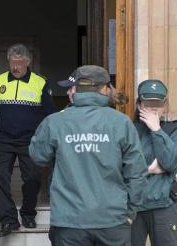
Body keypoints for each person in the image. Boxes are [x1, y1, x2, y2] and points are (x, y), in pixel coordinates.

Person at [29, 65, 148, 246]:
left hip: (70, 221)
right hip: (113, 220)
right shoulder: (121, 122)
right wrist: (130, 212)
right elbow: (137, 172)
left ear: (75, 89)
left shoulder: (56, 122)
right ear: (104, 89)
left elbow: (38, 156)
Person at [0, 43, 55, 237]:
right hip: (3, 140)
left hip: (30, 141)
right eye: (12, 63)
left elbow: (50, 115)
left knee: (33, 178)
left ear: (28, 62)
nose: (15, 67)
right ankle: (8, 219)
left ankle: (28, 213)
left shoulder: (40, 83)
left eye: (20, 64)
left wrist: (49, 139)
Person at [131, 79, 177, 246]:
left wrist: (156, 129)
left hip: (164, 205)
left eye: (158, 103)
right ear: (139, 104)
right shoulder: (127, 129)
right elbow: (118, 165)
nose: (153, 107)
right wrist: (148, 169)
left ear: (165, 105)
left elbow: (171, 161)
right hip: (132, 206)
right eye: (148, 102)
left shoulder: (175, 130)